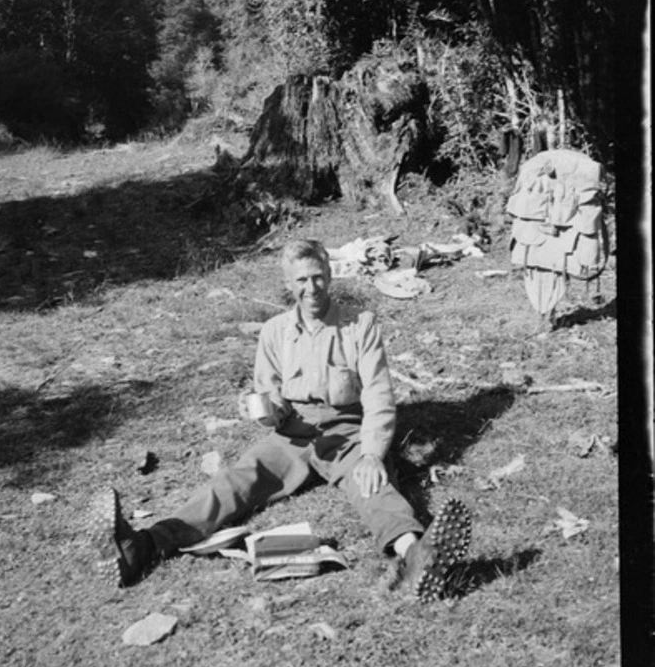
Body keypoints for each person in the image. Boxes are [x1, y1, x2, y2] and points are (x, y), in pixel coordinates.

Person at [88, 238, 472, 603]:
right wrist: (267, 411)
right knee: (235, 480)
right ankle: (143, 546)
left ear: (330, 274)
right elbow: (270, 397)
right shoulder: (274, 333)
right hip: (293, 434)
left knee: (372, 484)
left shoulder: (361, 325)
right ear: (289, 284)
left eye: (318, 276)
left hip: (348, 430)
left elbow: (378, 396)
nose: (312, 287)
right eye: (302, 280)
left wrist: (372, 453)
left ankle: (417, 557)